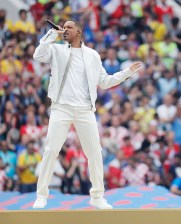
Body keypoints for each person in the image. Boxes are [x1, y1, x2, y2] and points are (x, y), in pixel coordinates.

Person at [32, 20, 142, 209]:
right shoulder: (57, 49)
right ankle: (42, 195)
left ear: (79, 31)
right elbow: (38, 55)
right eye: (63, 27)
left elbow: (105, 81)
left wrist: (126, 73)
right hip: (61, 107)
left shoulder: (92, 55)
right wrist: (52, 35)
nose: (65, 30)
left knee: (95, 153)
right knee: (51, 150)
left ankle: (97, 196)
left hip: (84, 109)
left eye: (69, 27)